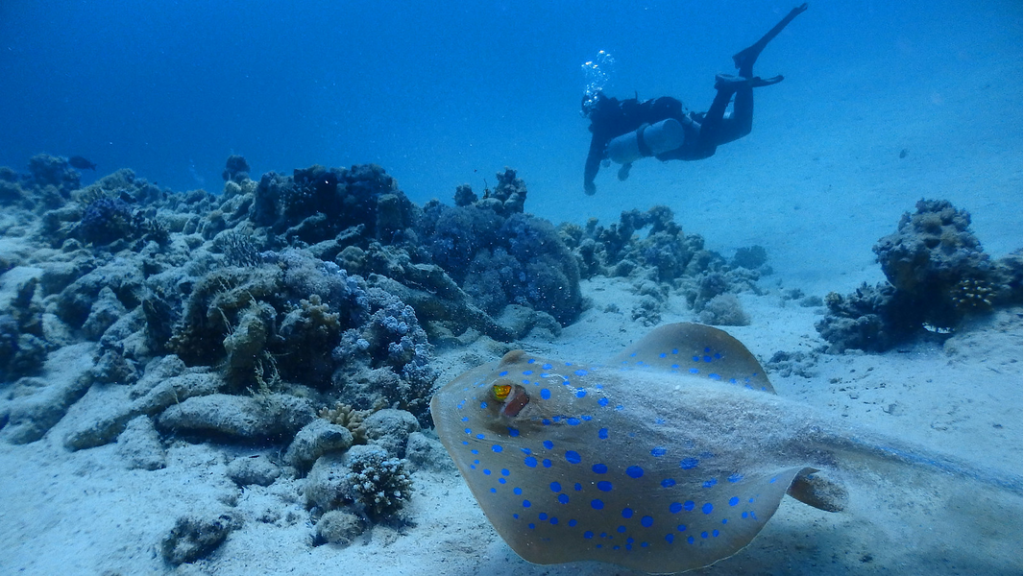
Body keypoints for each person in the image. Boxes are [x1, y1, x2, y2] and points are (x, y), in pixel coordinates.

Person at [582, 4, 808, 196]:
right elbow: (634, 136)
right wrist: (627, 166)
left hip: (674, 129)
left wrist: (588, 182)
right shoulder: (622, 111)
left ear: (592, 112)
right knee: (741, 127)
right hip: (678, 114)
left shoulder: (603, 126)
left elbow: (594, 157)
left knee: (704, 148)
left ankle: (725, 89)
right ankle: (747, 63)